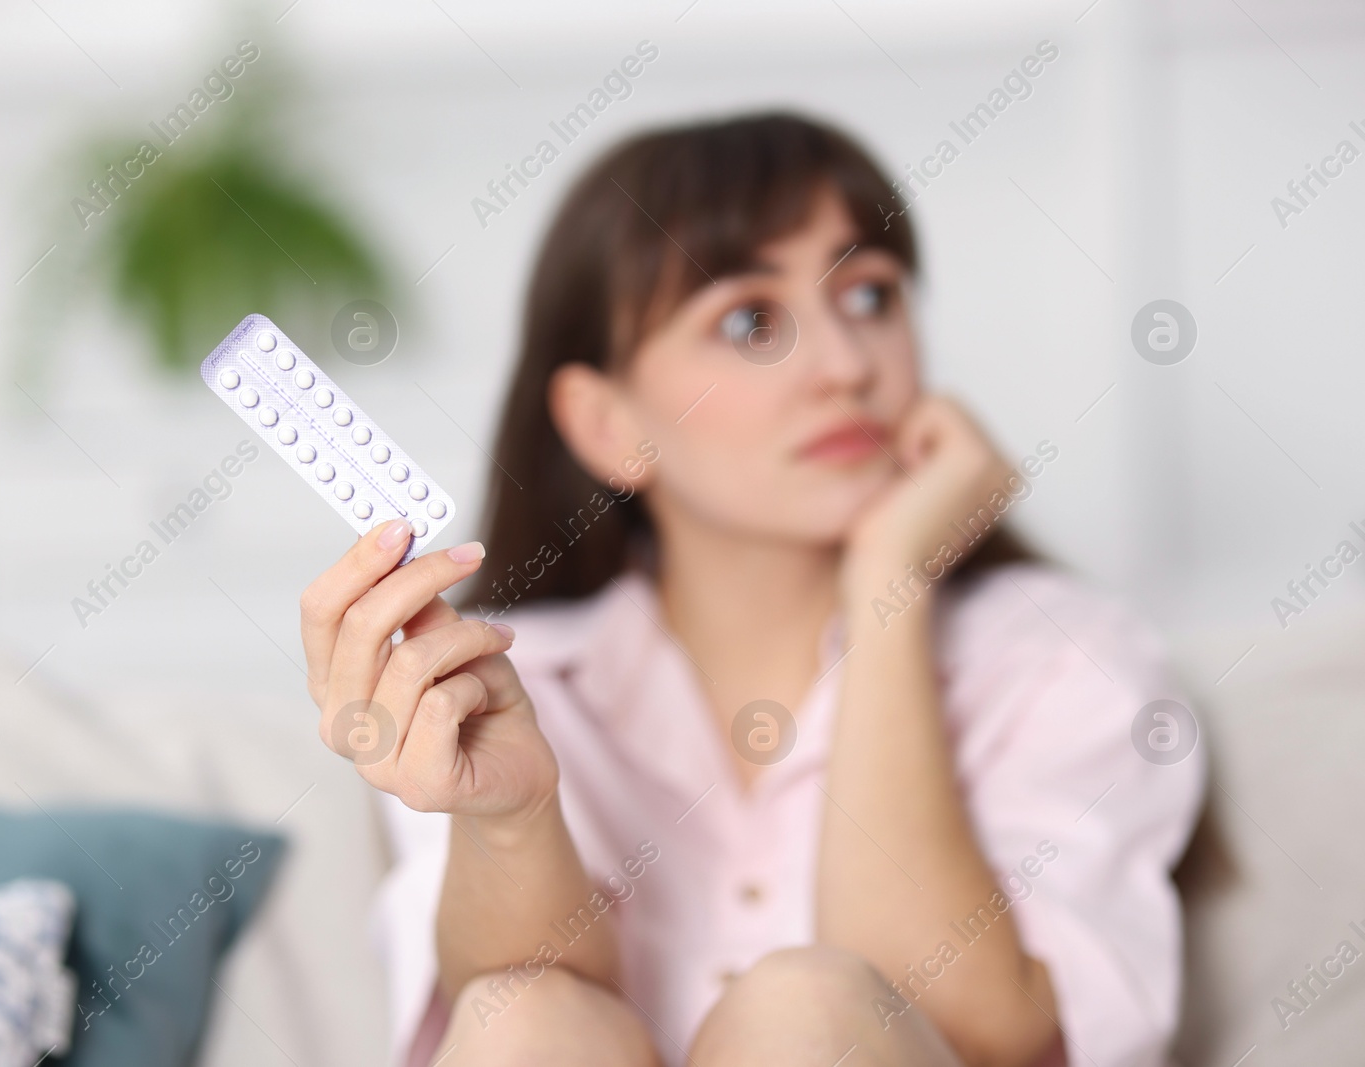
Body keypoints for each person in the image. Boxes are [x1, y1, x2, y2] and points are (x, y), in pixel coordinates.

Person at [299, 112, 1205, 1067]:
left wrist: (890, 590)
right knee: (519, 1012)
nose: (848, 368)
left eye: (870, 296)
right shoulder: (496, 684)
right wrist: (511, 817)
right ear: (608, 425)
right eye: (751, 321)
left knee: (805, 1007)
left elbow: (989, 1033)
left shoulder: (1058, 663)